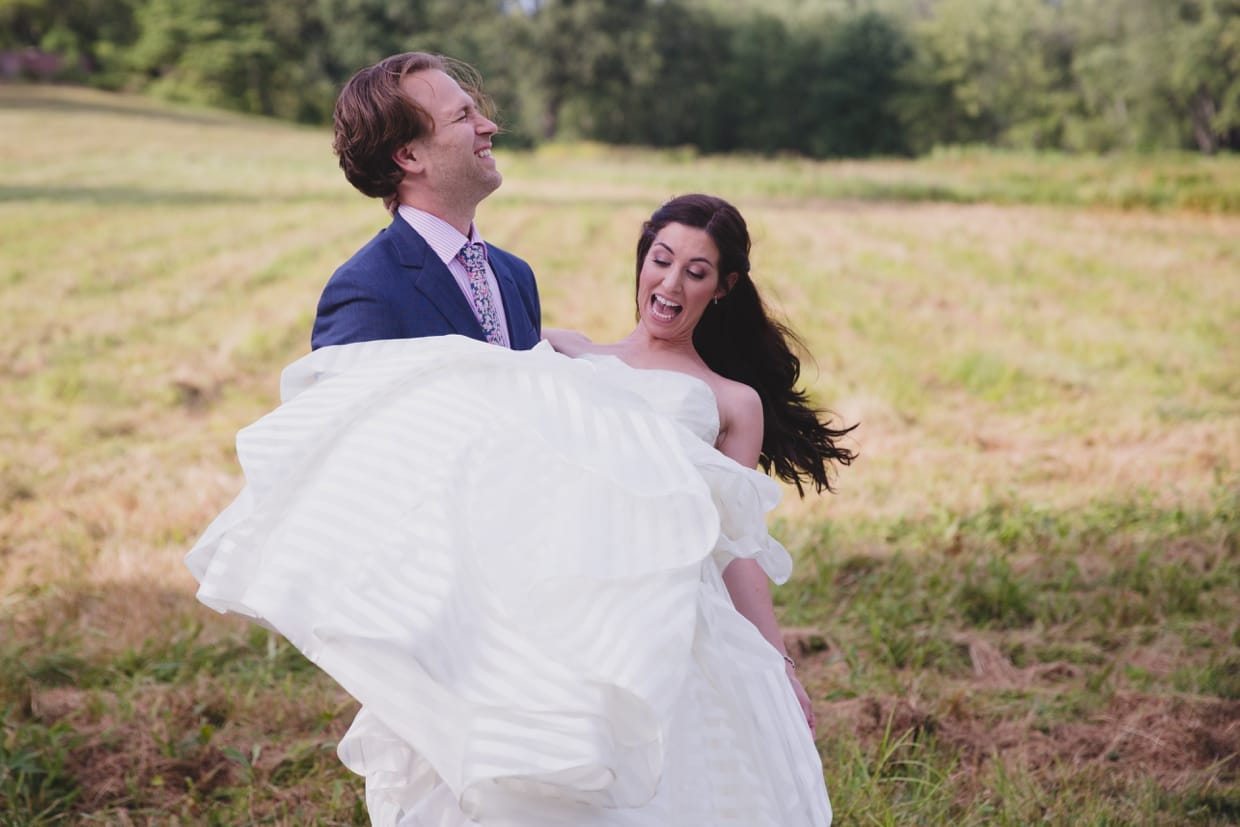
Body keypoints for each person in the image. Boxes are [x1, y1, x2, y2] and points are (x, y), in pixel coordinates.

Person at [186, 194, 854, 826]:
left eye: (696, 271)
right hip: (562, 602)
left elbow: (735, 544)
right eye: (662, 259)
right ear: (642, 260)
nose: (671, 284)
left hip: (674, 615)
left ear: (724, 287)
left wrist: (778, 662)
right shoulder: (564, 355)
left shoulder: (733, 401)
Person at [312, 51, 541, 350]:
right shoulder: (365, 292)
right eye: (463, 116)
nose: (489, 126)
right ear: (408, 156)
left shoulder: (517, 276)